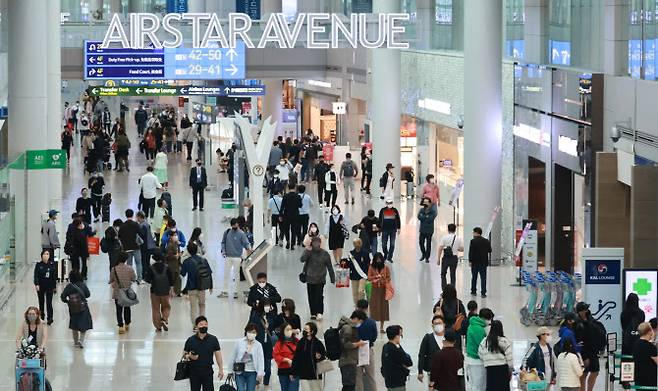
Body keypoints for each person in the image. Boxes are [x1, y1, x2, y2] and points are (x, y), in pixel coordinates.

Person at [184, 316, 225, 391]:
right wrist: (190, 356)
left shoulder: (213, 339)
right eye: (201, 324)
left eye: (205, 324)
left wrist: (221, 369)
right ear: (196, 326)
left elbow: (218, 355)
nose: (204, 326)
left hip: (207, 371)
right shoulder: (190, 340)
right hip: (194, 371)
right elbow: (184, 355)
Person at [300, 236, 336, 320]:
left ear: (320, 243)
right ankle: (313, 313)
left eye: (317, 242)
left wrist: (332, 278)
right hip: (310, 278)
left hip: (320, 279)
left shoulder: (325, 254)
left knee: (319, 296)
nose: (316, 244)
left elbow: (329, 266)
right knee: (311, 296)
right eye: (314, 242)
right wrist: (307, 250)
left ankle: (319, 312)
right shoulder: (309, 252)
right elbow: (302, 259)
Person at [181, 243, 213, 328]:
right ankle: (202, 324)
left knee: (193, 306)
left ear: (188, 251)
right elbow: (209, 273)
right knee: (202, 305)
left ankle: (195, 325)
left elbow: (182, 274)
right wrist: (210, 286)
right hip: (202, 287)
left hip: (191, 287)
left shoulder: (187, 261)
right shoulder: (203, 260)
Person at [219, 218, 252, 299]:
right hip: (228, 256)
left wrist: (249, 249)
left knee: (236, 275)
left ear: (237, 224)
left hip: (237, 257)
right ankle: (225, 291)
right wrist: (223, 251)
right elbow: (223, 242)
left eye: (235, 224)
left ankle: (236, 292)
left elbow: (246, 243)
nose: (234, 226)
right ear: (231, 225)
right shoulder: (227, 233)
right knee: (226, 274)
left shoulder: (241, 234)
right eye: (233, 225)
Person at [575, 302, 605, 391]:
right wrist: (584, 356)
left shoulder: (591, 320)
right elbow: (578, 341)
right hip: (583, 351)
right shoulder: (577, 324)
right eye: (584, 309)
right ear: (580, 312)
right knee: (583, 374)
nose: (587, 310)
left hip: (593, 351)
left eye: (587, 309)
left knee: (595, 372)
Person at [60, 270, 93, 348]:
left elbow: (63, 297)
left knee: (74, 325)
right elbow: (88, 295)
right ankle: (81, 341)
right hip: (83, 308)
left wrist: (68, 302)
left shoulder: (69, 286)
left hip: (73, 308)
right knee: (83, 325)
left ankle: (75, 342)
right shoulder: (83, 285)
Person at [465, 307, 494, 391]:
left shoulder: (473, 324)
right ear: (484, 318)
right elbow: (482, 346)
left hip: (471, 358)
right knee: (478, 385)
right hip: (476, 360)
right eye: (489, 319)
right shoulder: (478, 329)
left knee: (473, 384)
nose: (489, 322)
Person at [478, 320, 513, 391]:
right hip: (502, 369)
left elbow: (480, 353)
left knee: (491, 388)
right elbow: (509, 357)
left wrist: (487, 360)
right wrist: (510, 369)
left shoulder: (485, 341)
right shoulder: (504, 341)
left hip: (490, 369)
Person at [292, 322, 327, 391]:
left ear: (312, 331)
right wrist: (293, 372)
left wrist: (320, 356)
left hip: (316, 374)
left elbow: (324, 355)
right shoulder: (301, 342)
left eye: (306, 329)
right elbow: (296, 357)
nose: (304, 331)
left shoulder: (318, 343)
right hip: (304, 374)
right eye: (304, 329)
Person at [230, 323, 265, 391]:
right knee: (240, 389)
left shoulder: (258, 345)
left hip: (252, 372)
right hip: (239, 371)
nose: (251, 334)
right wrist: (229, 370)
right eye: (249, 332)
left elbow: (261, 360)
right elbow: (233, 356)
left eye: (253, 332)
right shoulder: (239, 342)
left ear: (256, 333)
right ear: (246, 332)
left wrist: (260, 373)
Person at [339, 311, 368, 391]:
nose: (360, 324)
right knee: (349, 386)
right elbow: (346, 344)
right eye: (360, 321)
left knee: (350, 385)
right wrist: (358, 344)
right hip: (348, 360)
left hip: (350, 360)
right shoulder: (348, 328)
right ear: (355, 319)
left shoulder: (350, 327)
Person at [110, 252, 137, 334]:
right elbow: (134, 279)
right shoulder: (130, 268)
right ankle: (127, 323)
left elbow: (111, 280)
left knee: (118, 310)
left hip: (117, 292)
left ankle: (120, 326)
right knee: (127, 308)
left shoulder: (114, 269)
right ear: (125, 259)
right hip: (127, 292)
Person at [354, 299, 378, 391]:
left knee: (358, 377)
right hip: (368, 349)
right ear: (367, 308)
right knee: (371, 376)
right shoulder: (371, 322)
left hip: (356, 349)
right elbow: (374, 337)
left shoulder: (354, 322)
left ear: (357, 308)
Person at [147, 250, 173, 332]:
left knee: (155, 309)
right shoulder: (167, 267)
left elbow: (147, 279)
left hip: (154, 291)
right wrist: (171, 288)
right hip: (165, 291)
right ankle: (164, 318)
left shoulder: (151, 268)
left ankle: (158, 327)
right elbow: (171, 279)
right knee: (166, 306)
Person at [381, 325, 413, 391]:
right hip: (398, 382)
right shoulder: (396, 349)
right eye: (400, 335)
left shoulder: (385, 347)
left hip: (389, 381)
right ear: (396, 336)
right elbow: (408, 362)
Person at [418, 315, 446, 384]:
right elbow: (421, 355)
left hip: (447, 372)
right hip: (433, 372)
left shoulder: (448, 337)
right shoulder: (428, 338)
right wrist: (420, 371)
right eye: (435, 324)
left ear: (444, 324)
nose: (438, 325)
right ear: (432, 326)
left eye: (440, 323)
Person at [273, 322, 300, 391]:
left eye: (290, 329)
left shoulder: (297, 341)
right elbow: (276, 355)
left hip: (294, 370)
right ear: (283, 331)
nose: (289, 331)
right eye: (287, 330)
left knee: (293, 389)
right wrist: (285, 359)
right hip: (283, 371)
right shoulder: (279, 343)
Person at [368, 253, 391, 333]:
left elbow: (389, 277)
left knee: (383, 308)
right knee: (374, 307)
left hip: (383, 289)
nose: (378, 260)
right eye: (377, 259)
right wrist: (375, 278)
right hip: (374, 289)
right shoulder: (371, 267)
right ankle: (372, 326)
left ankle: (381, 327)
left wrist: (383, 279)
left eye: (380, 259)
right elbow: (369, 277)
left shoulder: (385, 267)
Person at [118, 209, 143, 281]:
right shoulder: (136, 224)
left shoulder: (122, 225)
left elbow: (119, 236)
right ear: (132, 215)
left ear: (126, 215)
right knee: (138, 262)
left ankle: (131, 278)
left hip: (127, 247)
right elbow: (140, 233)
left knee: (129, 264)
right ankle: (139, 278)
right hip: (136, 246)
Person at [34, 250, 57, 325]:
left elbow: (54, 276)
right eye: (45, 254)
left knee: (49, 302)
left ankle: (50, 317)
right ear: (42, 255)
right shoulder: (38, 265)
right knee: (41, 302)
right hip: (41, 286)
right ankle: (41, 317)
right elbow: (36, 275)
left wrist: (54, 287)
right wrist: (36, 284)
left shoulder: (52, 264)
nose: (46, 255)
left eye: (47, 254)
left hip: (49, 286)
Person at [438, 224, 464, 289]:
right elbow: (462, 249)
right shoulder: (458, 238)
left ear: (448, 229)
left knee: (443, 274)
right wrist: (456, 248)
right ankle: (452, 289)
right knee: (453, 274)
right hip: (454, 258)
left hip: (446, 258)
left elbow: (440, 248)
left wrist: (438, 258)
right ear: (455, 229)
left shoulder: (444, 237)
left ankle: (444, 289)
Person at [633, 322, 658, 387]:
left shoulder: (636, 344)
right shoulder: (650, 347)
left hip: (638, 378)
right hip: (650, 379)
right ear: (649, 332)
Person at [468, 227, 491, 298]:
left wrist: (470, 261)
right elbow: (490, 250)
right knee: (483, 278)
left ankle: (473, 291)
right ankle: (483, 293)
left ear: (476, 233)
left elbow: (471, 252)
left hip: (475, 262)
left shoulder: (473, 241)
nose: (473, 233)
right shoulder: (486, 241)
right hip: (483, 262)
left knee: (474, 277)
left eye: (473, 232)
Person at [346, 238, 371, 304]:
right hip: (354, 275)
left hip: (363, 276)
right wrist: (344, 262)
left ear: (361, 244)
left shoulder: (365, 253)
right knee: (355, 293)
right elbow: (349, 264)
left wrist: (369, 274)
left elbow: (368, 264)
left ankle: (362, 305)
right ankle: (356, 307)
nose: (357, 245)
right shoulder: (351, 253)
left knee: (360, 291)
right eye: (355, 243)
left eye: (358, 243)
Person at [281, 184, 302, 250]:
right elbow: (300, 205)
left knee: (286, 229)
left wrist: (280, 215)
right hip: (295, 215)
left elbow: (282, 207)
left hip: (286, 215)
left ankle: (288, 241)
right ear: (295, 188)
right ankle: (292, 244)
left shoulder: (285, 196)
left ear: (288, 188)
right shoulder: (298, 196)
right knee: (294, 230)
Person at [417, 197, 438, 263]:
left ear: (429, 203)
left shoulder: (433, 211)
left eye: (426, 202)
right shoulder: (421, 210)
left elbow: (430, 219)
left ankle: (427, 257)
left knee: (428, 244)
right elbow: (419, 217)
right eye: (424, 202)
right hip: (422, 230)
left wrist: (424, 217)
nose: (425, 203)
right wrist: (425, 217)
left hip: (429, 230)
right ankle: (424, 254)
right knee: (421, 243)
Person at [165, 232, 183, 296]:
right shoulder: (170, 245)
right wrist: (176, 256)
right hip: (171, 265)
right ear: (171, 237)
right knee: (173, 278)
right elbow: (168, 256)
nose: (176, 237)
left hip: (176, 264)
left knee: (177, 278)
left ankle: (177, 292)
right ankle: (173, 292)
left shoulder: (176, 244)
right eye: (175, 235)